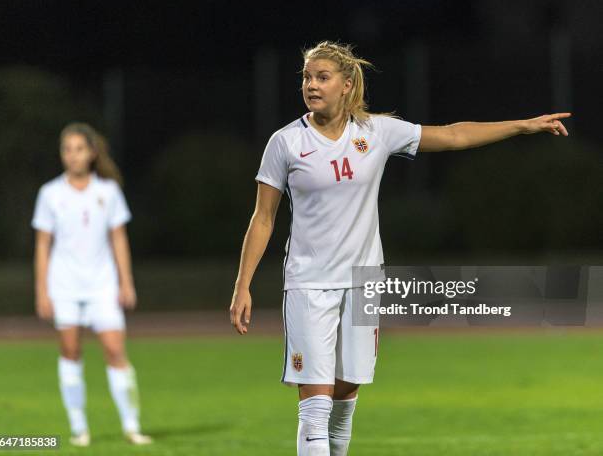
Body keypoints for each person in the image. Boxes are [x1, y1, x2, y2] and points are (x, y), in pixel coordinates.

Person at [230, 40, 571, 455]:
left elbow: (455, 135)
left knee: (346, 394)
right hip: (309, 284)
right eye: (306, 77)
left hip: (362, 283)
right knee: (314, 406)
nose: (311, 85)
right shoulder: (285, 143)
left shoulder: (375, 132)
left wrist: (522, 126)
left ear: (346, 83)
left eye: (322, 77)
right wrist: (242, 284)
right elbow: (262, 218)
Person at [32, 123, 152, 447]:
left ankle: (131, 426)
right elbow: (43, 245)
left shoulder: (108, 192)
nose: (73, 155)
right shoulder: (50, 194)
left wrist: (126, 282)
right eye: (67, 149)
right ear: (62, 155)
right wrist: (42, 291)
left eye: (79, 148)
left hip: (102, 284)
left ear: (92, 153)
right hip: (64, 285)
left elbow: (118, 238)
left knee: (115, 350)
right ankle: (78, 428)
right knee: (70, 351)